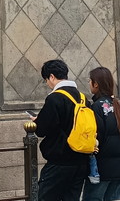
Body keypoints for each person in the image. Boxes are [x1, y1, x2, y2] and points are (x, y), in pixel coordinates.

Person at [30, 59, 88, 201]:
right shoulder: (82, 98)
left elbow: (41, 130)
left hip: (60, 161)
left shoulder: (55, 98)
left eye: (46, 80)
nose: (47, 84)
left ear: (51, 76)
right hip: (81, 160)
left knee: (45, 197)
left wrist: (37, 121)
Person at [82, 67, 120, 201]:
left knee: (93, 198)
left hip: (103, 167)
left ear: (96, 84)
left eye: (90, 81)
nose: (89, 84)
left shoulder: (97, 107)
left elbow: (96, 137)